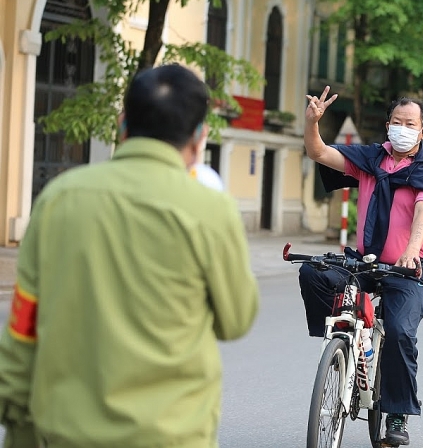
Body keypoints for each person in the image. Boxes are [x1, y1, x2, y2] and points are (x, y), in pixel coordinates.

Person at [0, 64, 259, 447]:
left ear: (123, 124)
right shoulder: (210, 210)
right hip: (172, 435)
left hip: (64, 432)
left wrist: (16, 416)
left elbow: (24, 326)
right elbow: (235, 320)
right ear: (199, 137)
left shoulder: (59, 198)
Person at [299, 87, 423, 446]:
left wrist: (412, 250)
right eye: (397, 122)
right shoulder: (371, 159)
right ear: (388, 126)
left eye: (410, 123)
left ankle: (397, 415)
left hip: (407, 270)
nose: (403, 128)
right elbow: (318, 152)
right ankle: (343, 340)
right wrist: (312, 124)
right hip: (365, 262)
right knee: (313, 272)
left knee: (400, 333)